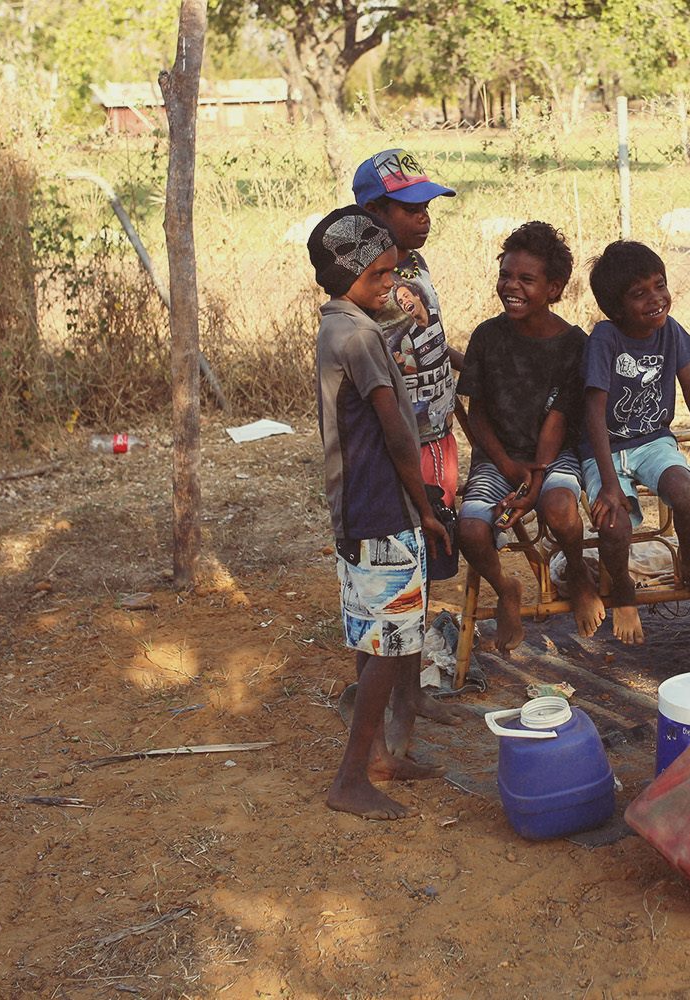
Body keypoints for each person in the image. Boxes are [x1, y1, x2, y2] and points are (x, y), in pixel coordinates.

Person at [308, 206, 452, 819]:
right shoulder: (360, 336)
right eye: (383, 277)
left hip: (357, 505)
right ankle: (351, 776)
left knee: (380, 632)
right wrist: (425, 506)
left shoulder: (341, 325)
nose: (393, 287)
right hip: (381, 506)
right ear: (356, 276)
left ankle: (382, 757)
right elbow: (395, 429)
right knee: (390, 645)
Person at [348, 147, 467, 733]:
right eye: (410, 207)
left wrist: (469, 367)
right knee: (396, 575)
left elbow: (428, 344)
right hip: (406, 446)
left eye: (427, 205)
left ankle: (411, 692)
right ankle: (381, 694)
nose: (424, 216)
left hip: (438, 435)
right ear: (372, 211)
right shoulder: (371, 286)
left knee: (424, 571)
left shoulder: (413, 267)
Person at [582, 240, 690, 645]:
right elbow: (593, 415)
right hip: (605, 450)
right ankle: (622, 588)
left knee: (686, 492)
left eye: (660, 285)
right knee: (614, 525)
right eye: (640, 293)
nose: (656, 299)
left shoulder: (669, 332)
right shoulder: (605, 338)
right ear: (616, 307)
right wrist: (610, 483)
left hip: (653, 441)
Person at [456, 222, 604, 650]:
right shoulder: (487, 336)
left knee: (560, 508)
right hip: (498, 456)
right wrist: (506, 466)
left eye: (526, 279)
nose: (511, 286)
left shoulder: (573, 344)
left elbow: (558, 419)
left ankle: (577, 572)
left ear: (554, 288)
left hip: (551, 454)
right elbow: (477, 412)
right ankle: (506, 589)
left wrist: (534, 479)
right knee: (471, 529)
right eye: (505, 275)